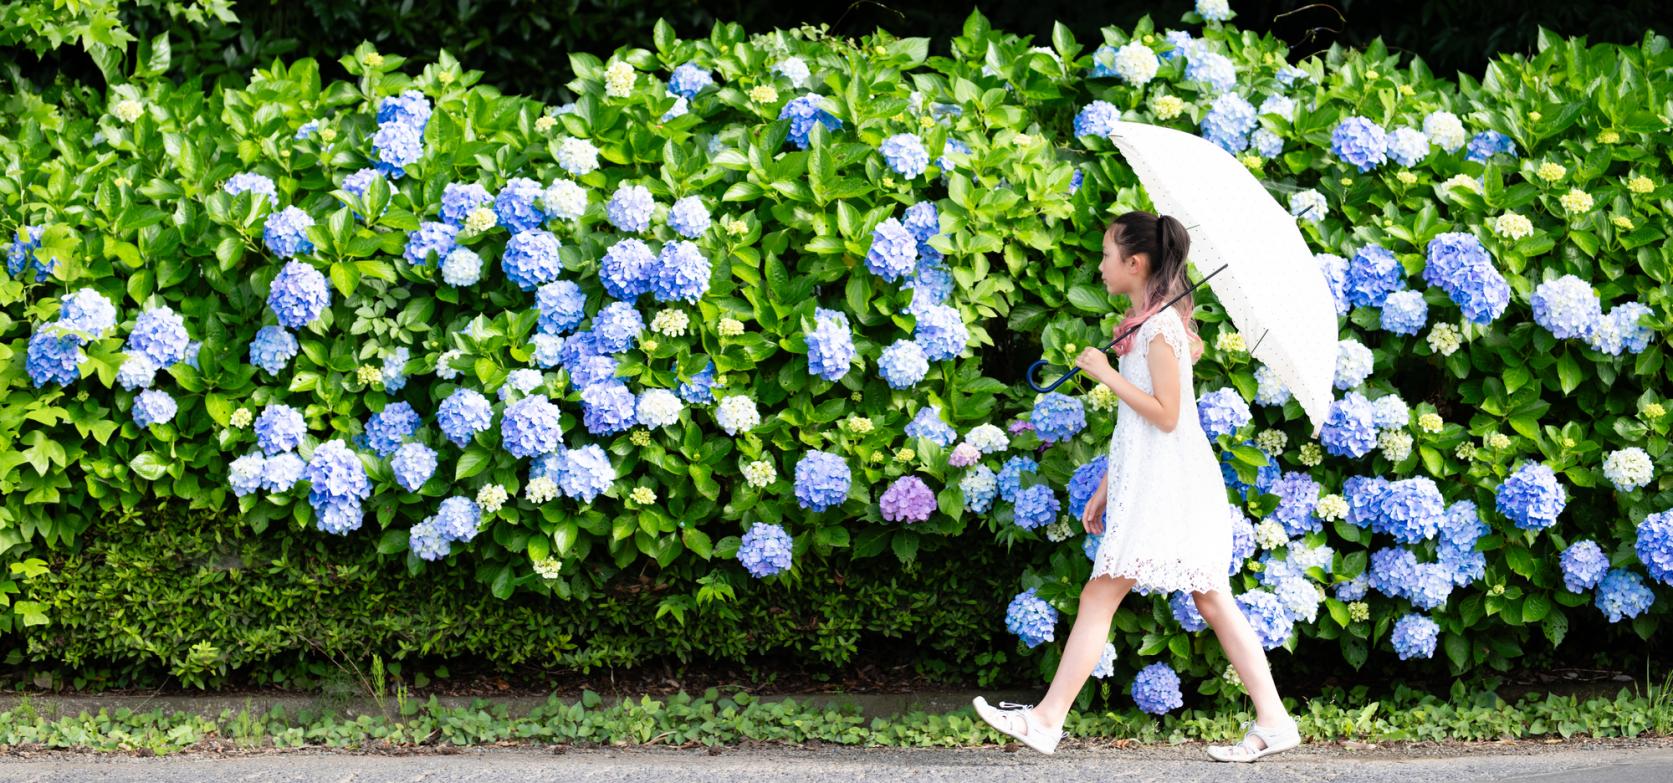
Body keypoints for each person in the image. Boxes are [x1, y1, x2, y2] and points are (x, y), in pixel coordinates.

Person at [972, 210, 1301, 763]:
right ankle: (1274, 720)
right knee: (1209, 597)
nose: (1099, 266)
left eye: (1106, 256)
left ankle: (1047, 721)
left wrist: (1106, 374)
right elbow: (1139, 426)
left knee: (1115, 593)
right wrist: (1107, 481)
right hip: (1155, 479)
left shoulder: (1161, 330)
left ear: (1135, 261)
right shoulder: (1149, 325)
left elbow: (1168, 416)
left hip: (1170, 485)